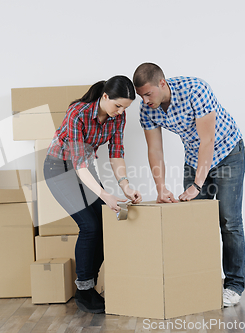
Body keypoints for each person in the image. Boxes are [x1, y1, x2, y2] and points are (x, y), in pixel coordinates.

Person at [133, 63, 245, 307]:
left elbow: (208, 140)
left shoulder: (196, 89)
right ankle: (201, 283)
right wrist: (161, 188)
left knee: (229, 220)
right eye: (140, 95)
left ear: (162, 83)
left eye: (148, 93)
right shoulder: (147, 110)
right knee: (194, 222)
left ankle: (234, 285)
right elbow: (155, 149)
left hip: (228, 151)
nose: (144, 100)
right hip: (195, 157)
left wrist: (197, 184)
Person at [43, 75, 142, 314]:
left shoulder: (118, 117)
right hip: (59, 169)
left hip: (84, 168)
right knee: (89, 226)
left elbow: (116, 153)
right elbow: (79, 165)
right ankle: (84, 291)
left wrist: (125, 186)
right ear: (105, 96)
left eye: (125, 108)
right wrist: (105, 194)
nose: (120, 112)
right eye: (117, 106)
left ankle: (90, 285)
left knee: (105, 226)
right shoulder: (78, 112)